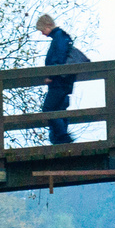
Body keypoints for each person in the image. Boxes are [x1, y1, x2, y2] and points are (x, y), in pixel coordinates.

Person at [36, 14, 76, 145]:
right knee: (59, 109)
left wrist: (51, 76)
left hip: (59, 82)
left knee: (49, 109)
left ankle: (62, 137)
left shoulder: (59, 37)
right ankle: (59, 138)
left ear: (48, 26)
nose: (43, 34)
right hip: (63, 81)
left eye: (42, 30)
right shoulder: (61, 37)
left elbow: (58, 60)